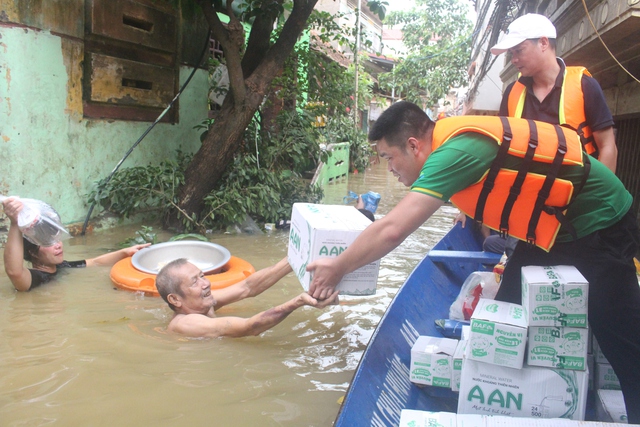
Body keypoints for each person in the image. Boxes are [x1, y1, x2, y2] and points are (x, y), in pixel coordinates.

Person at [306, 101, 640, 422]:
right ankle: (505, 403)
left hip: (601, 223)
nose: (389, 169)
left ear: (413, 145)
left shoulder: (453, 152)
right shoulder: (451, 147)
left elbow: (391, 230)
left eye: (388, 158)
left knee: (622, 339)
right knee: (504, 319)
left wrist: (337, 267)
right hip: (554, 230)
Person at [491, 13, 618, 172]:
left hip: (574, 193)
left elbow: (608, 146)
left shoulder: (585, 86)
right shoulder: (512, 93)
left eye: (519, 51)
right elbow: (501, 145)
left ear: (543, 42)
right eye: (511, 53)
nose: (514, 59)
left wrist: (600, 195)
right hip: (524, 192)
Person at [155, 257, 339, 338]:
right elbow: (248, 327)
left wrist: (296, 259)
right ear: (175, 300)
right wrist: (298, 301)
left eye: (202, 276)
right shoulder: (186, 322)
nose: (206, 284)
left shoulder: (202, 303)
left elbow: (247, 287)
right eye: (194, 282)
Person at [2, 197, 150, 291]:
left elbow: (95, 262)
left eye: (56, 239)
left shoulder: (61, 267)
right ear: (33, 252)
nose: (58, 245)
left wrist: (125, 252)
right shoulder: (34, 279)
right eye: (48, 242)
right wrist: (15, 223)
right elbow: (14, 272)